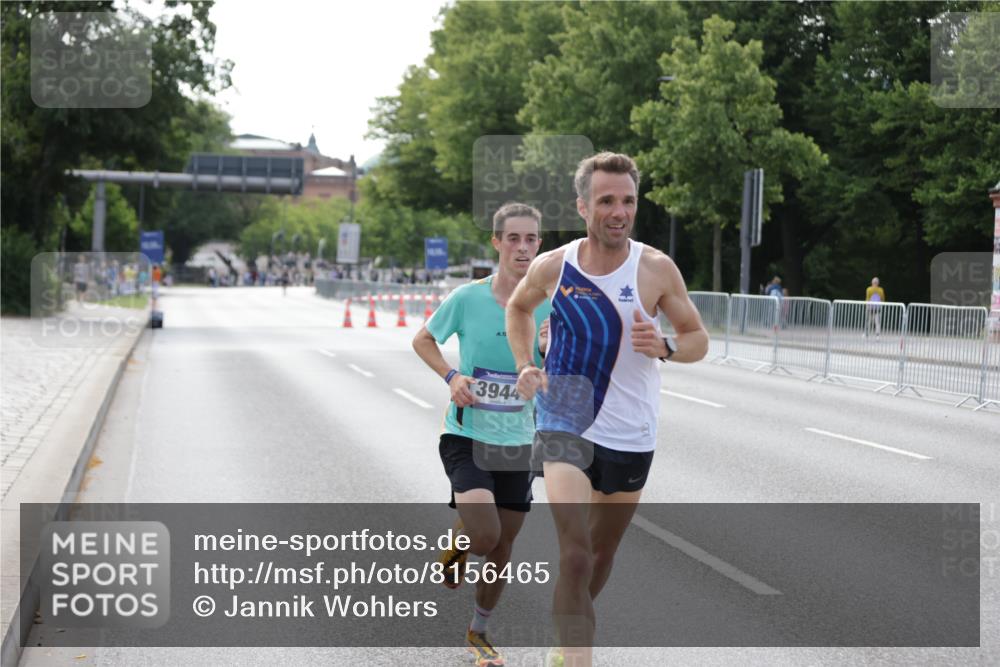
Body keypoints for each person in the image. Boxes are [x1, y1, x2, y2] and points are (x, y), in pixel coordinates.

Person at [506, 152, 709, 667]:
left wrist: (664, 348)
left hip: (631, 432)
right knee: (574, 555)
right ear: (582, 206)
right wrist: (526, 363)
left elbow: (698, 340)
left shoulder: (656, 268)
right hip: (565, 417)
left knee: (598, 557)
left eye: (628, 201)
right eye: (606, 201)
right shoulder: (555, 265)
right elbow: (518, 307)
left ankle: (565, 641)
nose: (618, 212)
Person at [412, 202, 551, 667]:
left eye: (531, 239)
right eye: (513, 238)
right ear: (496, 242)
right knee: (487, 535)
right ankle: (460, 540)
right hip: (466, 434)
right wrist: (452, 378)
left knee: (503, 547)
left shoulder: (552, 301)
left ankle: (479, 632)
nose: (523, 247)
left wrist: (551, 351)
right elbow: (423, 339)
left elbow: (564, 370)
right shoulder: (468, 298)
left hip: (518, 439)